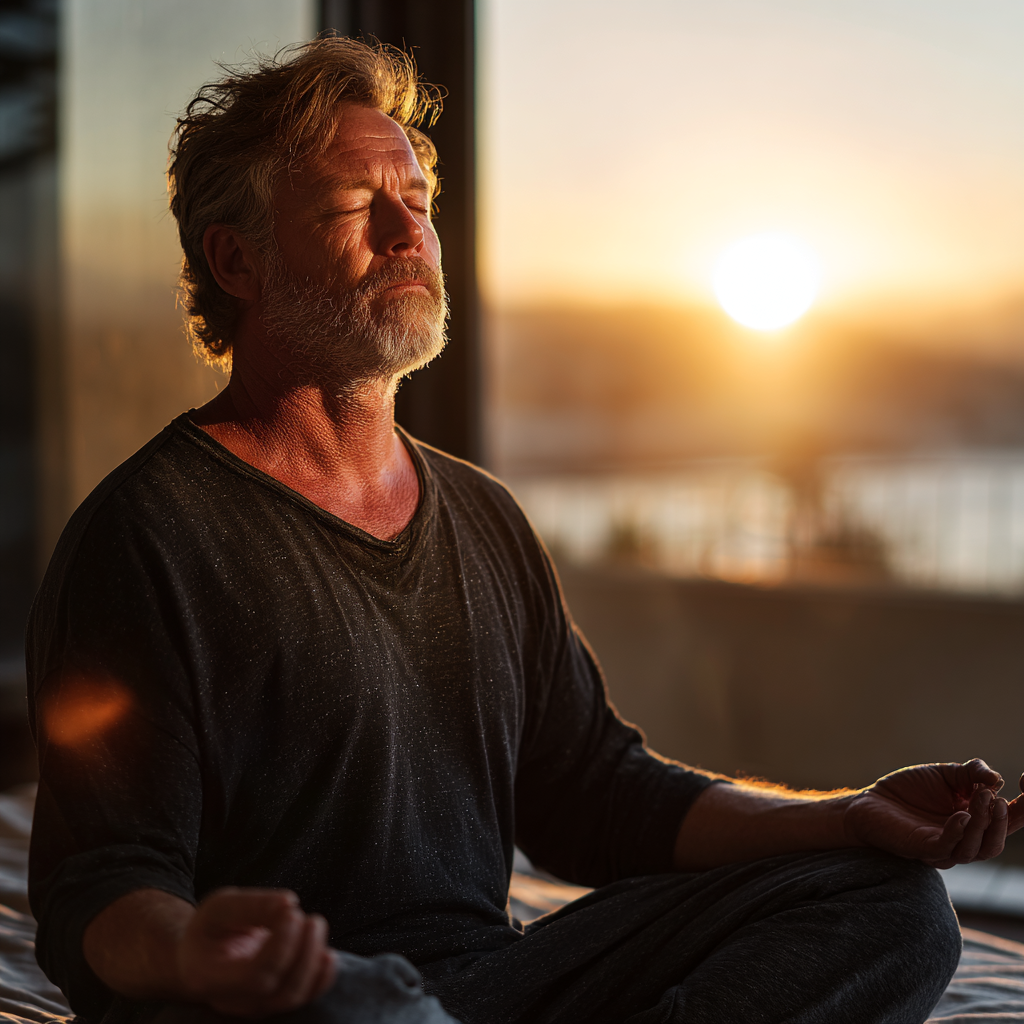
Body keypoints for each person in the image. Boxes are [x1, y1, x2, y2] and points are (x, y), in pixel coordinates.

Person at [25, 37, 1023, 1024]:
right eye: (350, 206)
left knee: (890, 904)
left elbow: (596, 794)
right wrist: (197, 950)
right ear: (236, 260)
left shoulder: (481, 516)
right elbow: (96, 895)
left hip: (488, 986)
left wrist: (849, 815)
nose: (405, 233)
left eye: (416, 201)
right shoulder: (146, 538)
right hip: (300, 1005)